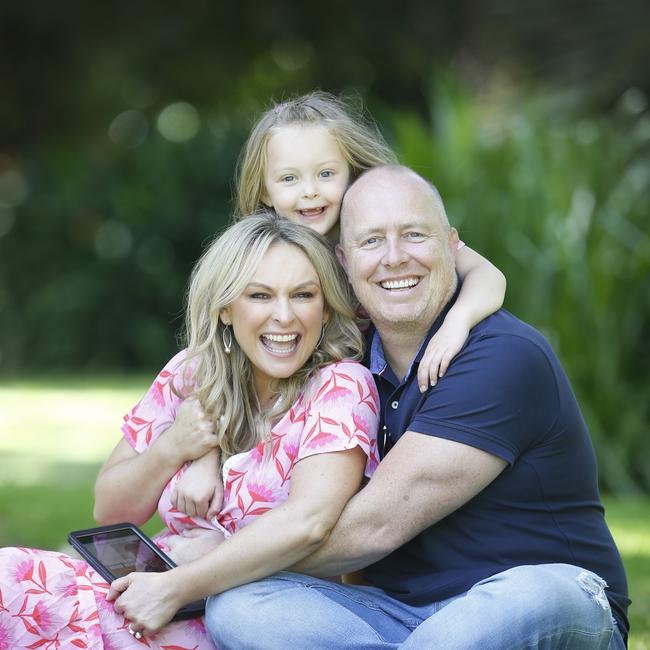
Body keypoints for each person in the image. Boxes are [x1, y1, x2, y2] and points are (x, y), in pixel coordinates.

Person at [204, 166, 630, 650]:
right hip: (405, 620)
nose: (394, 258)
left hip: (540, 608)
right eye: (371, 242)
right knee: (242, 606)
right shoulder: (346, 366)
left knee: (538, 592)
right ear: (343, 261)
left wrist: (216, 560)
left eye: (413, 235)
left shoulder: (503, 356)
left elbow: (374, 527)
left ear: (452, 245)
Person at [0, 213, 380, 648]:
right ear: (225, 308)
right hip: (149, 590)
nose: (283, 316)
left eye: (303, 295)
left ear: (326, 307)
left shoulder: (340, 387)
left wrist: (178, 586)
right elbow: (109, 510)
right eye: (259, 295)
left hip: (242, 613)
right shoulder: (191, 372)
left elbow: (307, 523)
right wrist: (175, 446)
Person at [172, 91, 507, 521]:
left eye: (326, 173)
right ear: (264, 191)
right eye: (290, 179)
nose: (310, 192)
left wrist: (457, 323)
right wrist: (205, 458)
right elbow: (221, 364)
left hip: (383, 400)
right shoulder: (261, 259)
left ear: (352, 172)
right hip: (305, 421)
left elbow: (488, 275)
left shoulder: (379, 236)